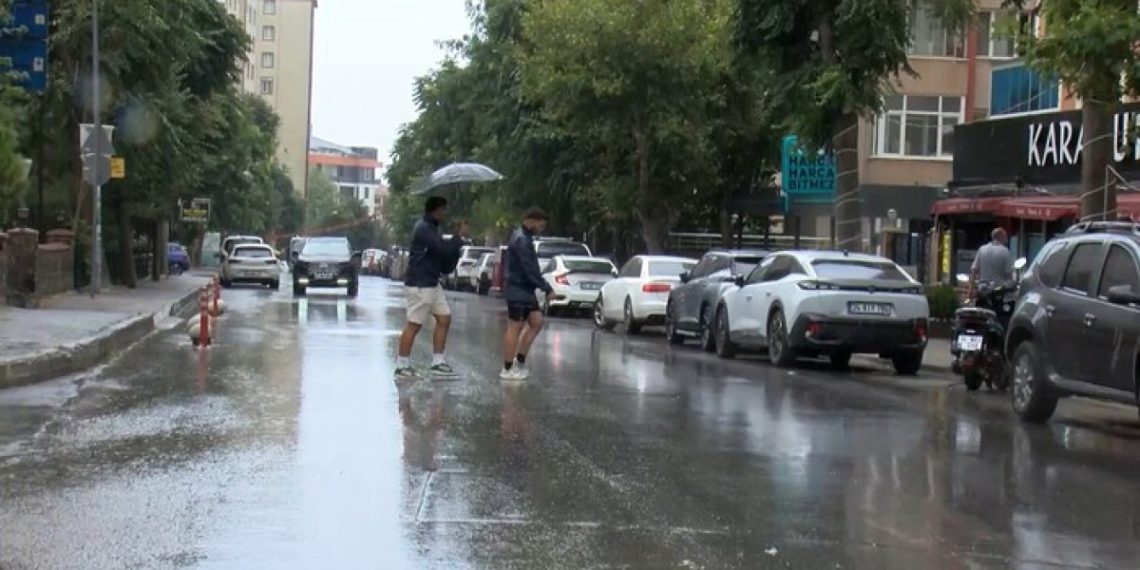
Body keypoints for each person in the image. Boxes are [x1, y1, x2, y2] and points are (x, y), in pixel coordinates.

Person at [395, 196, 468, 379]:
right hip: (420, 283)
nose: (445, 213)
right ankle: (402, 366)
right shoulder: (423, 229)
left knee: (444, 318)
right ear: (435, 210)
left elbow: (444, 260)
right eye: (443, 210)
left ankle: (438, 362)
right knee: (414, 324)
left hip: (432, 283)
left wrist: (457, 242)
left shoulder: (433, 228)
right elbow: (441, 249)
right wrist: (458, 237)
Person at [500, 208, 553, 380]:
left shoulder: (524, 237)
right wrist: (546, 287)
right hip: (518, 289)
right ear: (532, 221)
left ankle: (519, 360)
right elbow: (529, 268)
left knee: (536, 322)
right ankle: (507, 368)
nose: (541, 229)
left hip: (526, 290)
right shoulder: (521, 239)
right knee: (515, 327)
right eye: (540, 225)